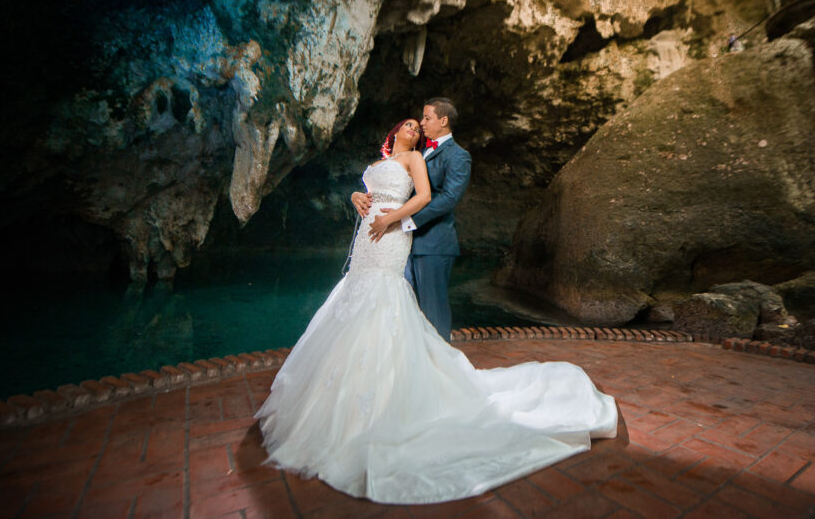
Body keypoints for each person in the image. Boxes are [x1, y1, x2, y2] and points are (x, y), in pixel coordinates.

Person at [255, 118, 617, 505]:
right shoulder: (378, 163)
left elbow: (424, 197)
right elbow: (366, 191)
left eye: (418, 126)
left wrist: (391, 219)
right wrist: (355, 198)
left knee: (385, 295)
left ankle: (382, 396)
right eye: (408, 124)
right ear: (392, 132)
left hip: (391, 233)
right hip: (366, 235)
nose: (414, 128)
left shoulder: (414, 160)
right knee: (355, 293)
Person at [356, 97, 469, 341]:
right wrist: (358, 196)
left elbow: (448, 198)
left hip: (433, 243)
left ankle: (441, 369)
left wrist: (406, 221)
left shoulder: (459, 155)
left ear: (443, 120)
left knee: (433, 312)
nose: (421, 122)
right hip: (401, 243)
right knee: (404, 310)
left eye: (427, 118)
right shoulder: (420, 151)